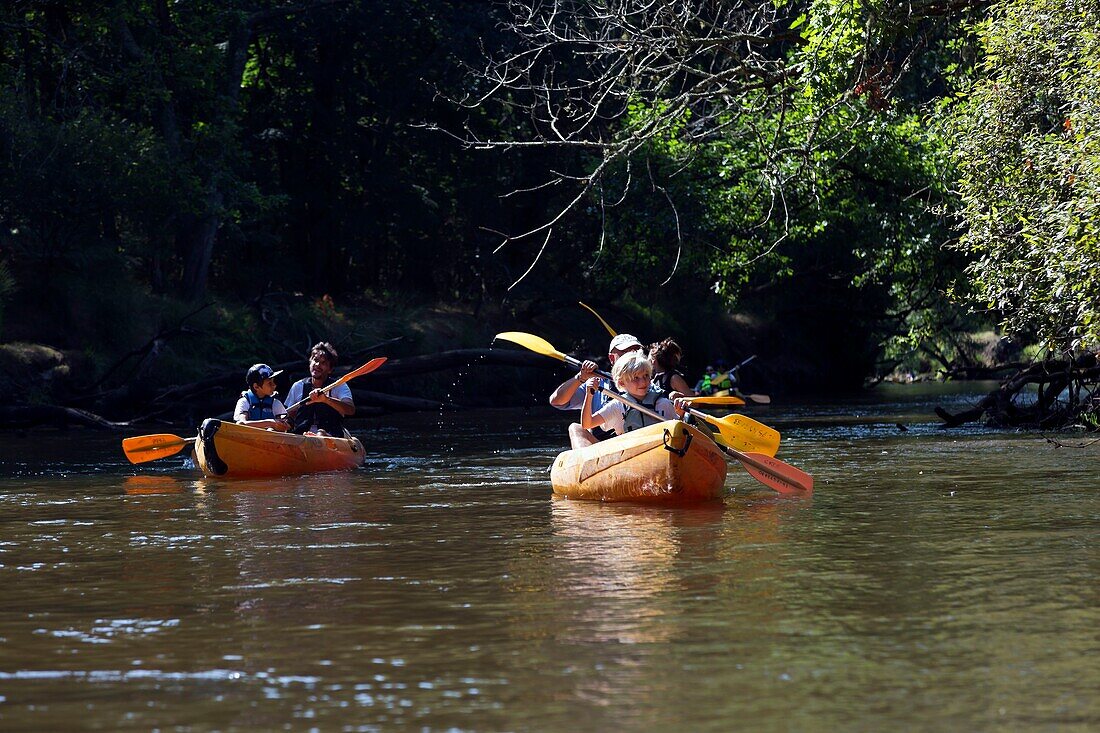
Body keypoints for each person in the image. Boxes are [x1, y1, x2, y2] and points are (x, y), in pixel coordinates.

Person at [549, 333, 644, 449]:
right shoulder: (596, 383)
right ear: (612, 358)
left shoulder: (647, 382)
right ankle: (585, 463)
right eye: (625, 353)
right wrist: (581, 377)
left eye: (635, 352)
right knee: (575, 428)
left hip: (637, 442)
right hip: (602, 448)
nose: (631, 357)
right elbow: (556, 401)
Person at [580, 351, 683, 438]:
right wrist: (589, 395)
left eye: (646, 376)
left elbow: (680, 431)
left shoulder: (663, 403)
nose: (643, 382)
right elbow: (587, 424)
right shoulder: (617, 406)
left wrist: (681, 413)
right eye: (636, 378)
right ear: (621, 383)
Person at [284, 342, 355, 436]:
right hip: (302, 436)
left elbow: (350, 409)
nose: (317, 365)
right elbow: (289, 415)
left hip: (331, 435)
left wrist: (326, 400)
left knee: (321, 433)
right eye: (315, 360)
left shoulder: (339, 386)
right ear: (310, 363)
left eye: (323, 363)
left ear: (330, 369)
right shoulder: (298, 386)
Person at [234, 363, 291, 431]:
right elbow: (241, 424)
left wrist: (283, 424)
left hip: (270, 439)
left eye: (273, 381)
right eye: (269, 383)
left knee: (270, 430)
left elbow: (287, 425)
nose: (274, 385)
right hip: (249, 438)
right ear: (256, 386)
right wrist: (270, 423)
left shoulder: (275, 403)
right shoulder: (244, 402)